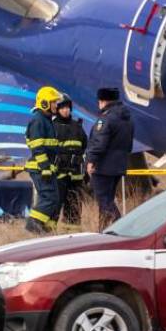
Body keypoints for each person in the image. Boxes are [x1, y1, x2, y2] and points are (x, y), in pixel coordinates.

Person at [86, 87, 133, 229]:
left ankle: (122, 227)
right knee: (107, 201)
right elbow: (129, 145)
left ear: (103, 101)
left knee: (105, 201)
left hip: (103, 167)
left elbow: (99, 143)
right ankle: (104, 231)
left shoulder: (106, 119)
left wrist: (91, 161)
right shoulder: (127, 119)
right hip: (119, 166)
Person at [23, 86, 61, 233]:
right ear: (44, 103)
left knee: (55, 199)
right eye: (53, 102)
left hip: (47, 168)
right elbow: (37, 147)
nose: (56, 105)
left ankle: (48, 229)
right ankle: (33, 223)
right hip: (40, 168)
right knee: (49, 198)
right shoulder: (38, 121)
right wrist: (45, 167)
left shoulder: (47, 120)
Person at [52, 95, 88, 225]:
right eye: (62, 108)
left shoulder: (77, 126)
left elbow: (84, 146)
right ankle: (49, 235)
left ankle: (72, 235)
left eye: (67, 107)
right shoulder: (52, 126)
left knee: (74, 208)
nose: (65, 110)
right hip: (59, 175)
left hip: (76, 176)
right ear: (57, 110)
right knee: (55, 206)